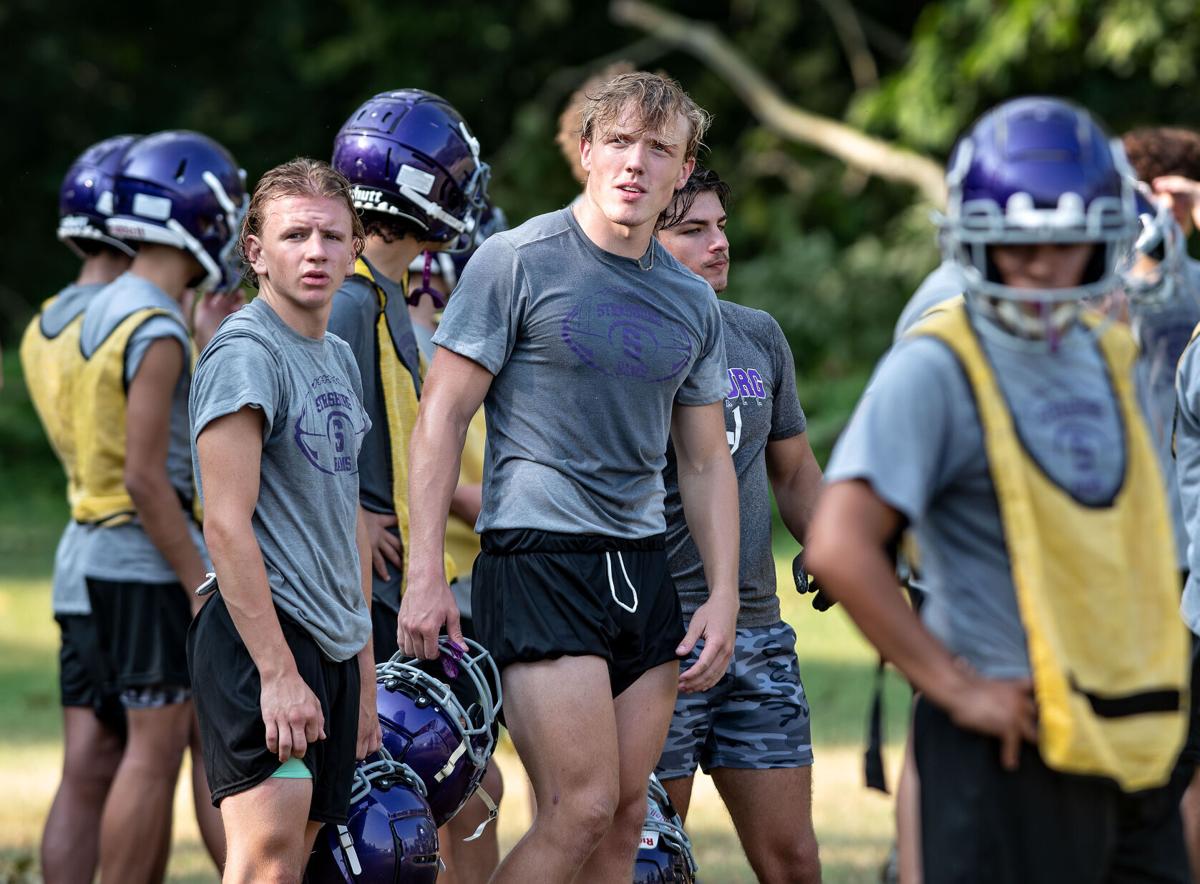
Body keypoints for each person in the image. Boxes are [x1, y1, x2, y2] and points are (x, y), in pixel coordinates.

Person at [807, 97, 1190, 883]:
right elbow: (838, 545)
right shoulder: (938, 360)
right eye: (1017, 243)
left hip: (1120, 720)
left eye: (1064, 242)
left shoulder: (1104, 348)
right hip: (1007, 733)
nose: (1041, 267)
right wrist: (954, 686)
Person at [401, 71, 740, 883]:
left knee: (627, 816)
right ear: (586, 152)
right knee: (581, 805)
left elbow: (703, 458)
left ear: (683, 170)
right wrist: (424, 573)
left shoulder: (691, 303)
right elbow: (441, 418)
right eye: (618, 142)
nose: (636, 164)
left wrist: (723, 591)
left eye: (659, 148)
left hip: (643, 565)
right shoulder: (513, 262)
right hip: (538, 557)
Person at [187, 158, 381, 883]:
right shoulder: (246, 353)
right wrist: (276, 673)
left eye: (333, 236)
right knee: (265, 859)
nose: (316, 251)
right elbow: (226, 526)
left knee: (299, 857)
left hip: (334, 649)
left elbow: (347, 522)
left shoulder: (334, 354)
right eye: (294, 234)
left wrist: (360, 672)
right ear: (255, 250)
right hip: (263, 639)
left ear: (356, 248)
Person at [328, 89, 502, 884]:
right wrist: (360, 514)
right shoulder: (348, 297)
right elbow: (322, 426)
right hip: (357, 587)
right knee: (371, 802)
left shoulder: (385, 292)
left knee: (462, 784)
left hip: (394, 578)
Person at [66, 130, 244, 883]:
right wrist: (202, 579)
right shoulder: (158, 325)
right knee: (162, 749)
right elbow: (149, 477)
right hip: (146, 562)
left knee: (104, 756)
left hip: (91, 555)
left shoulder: (103, 305)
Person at [653, 165, 823, 883]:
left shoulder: (758, 336)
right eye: (694, 231)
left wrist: (827, 542)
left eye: (721, 226)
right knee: (651, 858)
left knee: (793, 860)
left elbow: (792, 470)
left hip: (756, 635)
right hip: (657, 646)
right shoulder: (620, 347)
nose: (718, 244)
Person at [22, 135, 137, 884]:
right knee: (168, 754)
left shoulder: (44, 322)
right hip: (142, 555)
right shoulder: (136, 321)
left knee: (86, 764)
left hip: (76, 553)